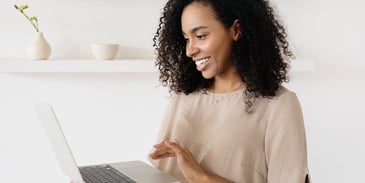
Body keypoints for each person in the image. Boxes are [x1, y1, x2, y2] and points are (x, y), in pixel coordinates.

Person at [148, 0, 311, 183]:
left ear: (236, 30)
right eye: (187, 39)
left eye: (200, 36)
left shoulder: (279, 105)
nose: (190, 50)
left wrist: (201, 177)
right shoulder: (182, 98)